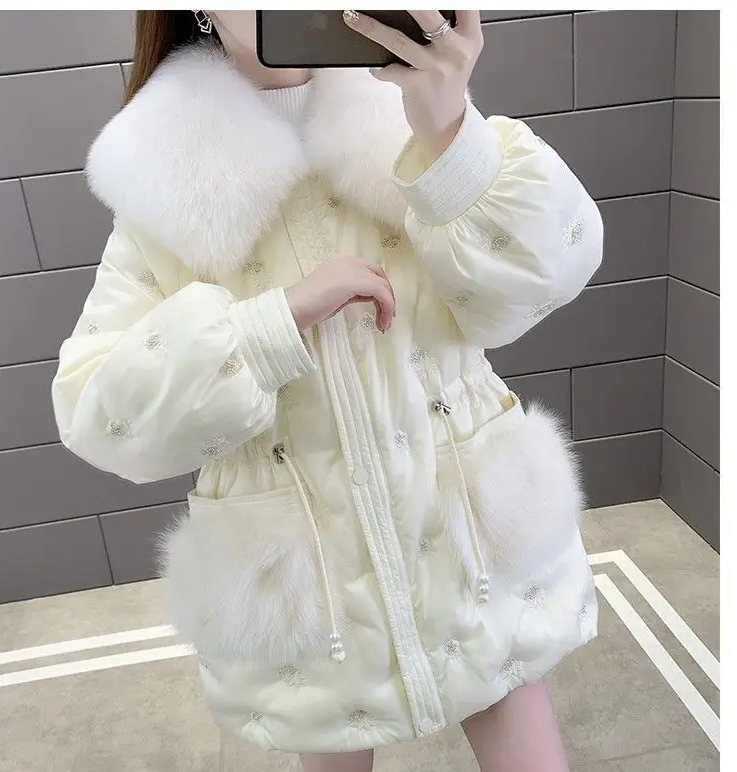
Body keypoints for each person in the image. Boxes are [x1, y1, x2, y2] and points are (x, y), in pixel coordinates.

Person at [52, 10, 603, 772]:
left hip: (466, 537)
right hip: (307, 581)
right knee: (332, 736)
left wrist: (452, 137)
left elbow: (550, 272)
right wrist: (270, 327)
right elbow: (95, 410)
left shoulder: (410, 109)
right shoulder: (160, 179)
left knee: (514, 714)